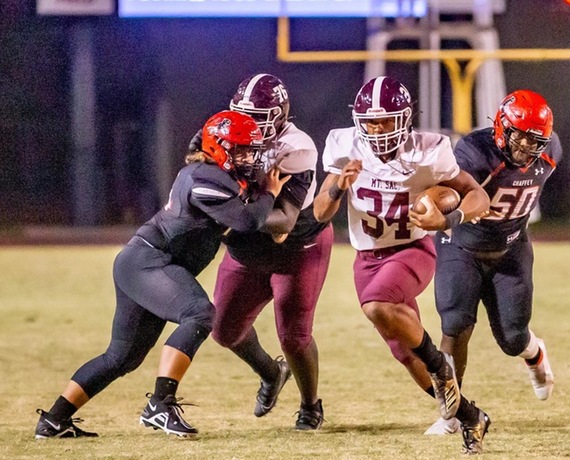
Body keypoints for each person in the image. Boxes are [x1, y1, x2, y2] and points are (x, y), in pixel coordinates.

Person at [34, 110, 289, 439]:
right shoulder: (203, 176)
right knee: (199, 313)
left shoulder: (215, 175)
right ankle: (160, 405)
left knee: (121, 358)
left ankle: (55, 420)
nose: (249, 157)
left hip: (145, 264)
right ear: (217, 147)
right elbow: (247, 221)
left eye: (250, 149)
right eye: (240, 149)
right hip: (148, 262)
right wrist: (268, 192)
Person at [313, 76, 492, 454]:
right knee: (406, 355)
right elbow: (319, 213)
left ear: (405, 119)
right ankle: (471, 415)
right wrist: (336, 188)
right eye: (371, 121)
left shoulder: (429, 151)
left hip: (411, 250)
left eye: (387, 120)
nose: (377, 129)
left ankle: (442, 367)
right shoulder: (345, 147)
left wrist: (449, 220)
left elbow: (478, 196)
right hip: (367, 259)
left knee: (378, 305)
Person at [189, 74, 332, 430]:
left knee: (294, 335)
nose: (250, 124)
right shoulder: (224, 128)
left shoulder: (296, 147)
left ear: (281, 115)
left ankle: (310, 404)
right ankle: (271, 372)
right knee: (223, 329)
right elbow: (195, 159)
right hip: (247, 245)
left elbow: (283, 222)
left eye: (260, 116)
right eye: (244, 114)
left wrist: (234, 211)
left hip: (298, 244)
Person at [426, 90, 560, 436]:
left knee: (513, 338)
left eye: (536, 141)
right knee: (455, 324)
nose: (527, 148)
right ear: (502, 127)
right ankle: (451, 414)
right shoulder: (472, 153)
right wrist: (450, 216)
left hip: (511, 247)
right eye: (520, 137)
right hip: (462, 245)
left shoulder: (550, 152)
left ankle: (535, 354)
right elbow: (469, 199)